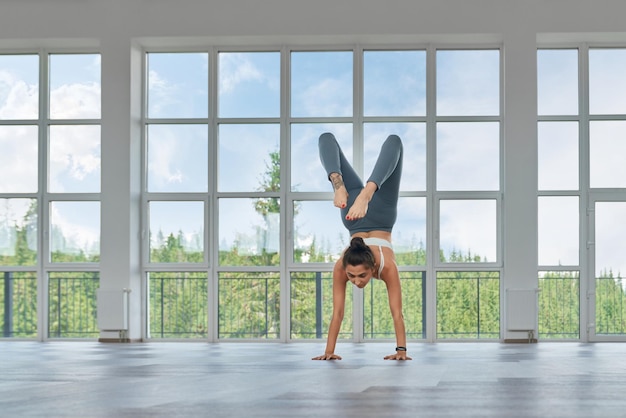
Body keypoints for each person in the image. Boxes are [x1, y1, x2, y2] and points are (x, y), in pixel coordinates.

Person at [312, 132, 411, 361]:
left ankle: (362, 191)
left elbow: (397, 313)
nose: (356, 281)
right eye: (352, 276)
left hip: (356, 208)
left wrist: (401, 352)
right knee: (327, 137)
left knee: (395, 141)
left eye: (361, 275)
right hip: (366, 208)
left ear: (372, 266)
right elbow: (337, 313)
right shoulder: (342, 267)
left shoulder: (386, 266)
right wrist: (329, 352)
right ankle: (338, 184)